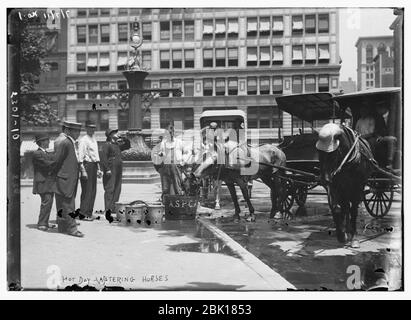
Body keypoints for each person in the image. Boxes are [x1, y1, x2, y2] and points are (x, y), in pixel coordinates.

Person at [53, 121, 84, 237]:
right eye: (75, 131)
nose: (78, 133)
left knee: (62, 204)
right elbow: (57, 160)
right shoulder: (66, 143)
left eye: (79, 131)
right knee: (69, 205)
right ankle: (72, 229)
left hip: (66, 178)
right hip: (65, 179)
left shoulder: (71, 143)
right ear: (69, 131)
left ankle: (62, 227)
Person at [100, 128, 131, 221]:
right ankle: (108, 209)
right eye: (114, 132)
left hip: (118, 167)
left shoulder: (117, 144)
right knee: (110, 188)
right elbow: (103, 158)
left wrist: (125, 138)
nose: (117, 134)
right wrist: (107, 169)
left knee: (117, 187)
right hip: (111, 167)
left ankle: (113, 207)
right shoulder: (107, 145)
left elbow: (127, 146)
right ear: (110, 135)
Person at [157, 123, 189, 202]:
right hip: (166, 166)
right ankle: (165, 202)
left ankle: (179, 201)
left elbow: (187, 152)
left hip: (176, 166)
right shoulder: (163, 143)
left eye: (171, 132)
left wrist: (183, 162)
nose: (170, 134)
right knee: (165, 186)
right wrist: (160, 155)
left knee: (177, 184)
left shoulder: (179, 142)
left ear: (174, 133)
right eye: (168, 133)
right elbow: (160, 153)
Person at [32, 133, 57, 231]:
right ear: (42, 142)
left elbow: (51, 161)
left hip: (48, 182)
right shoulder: (37, 154)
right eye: (47, 140)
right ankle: (41, 223)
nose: (49, 141)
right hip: (43, 182)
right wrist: (58, 162)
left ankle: (45, 222)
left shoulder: (46, 153)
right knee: (46, 202)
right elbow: (47, 164)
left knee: (49, 202)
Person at [78, 121, 103, 221]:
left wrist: (99, 169)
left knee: (93, 190)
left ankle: (89, 212)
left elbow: (96, 156)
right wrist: (83, 171)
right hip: (87, 165)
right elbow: (80, 157)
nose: (92, 130)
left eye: (94, 128)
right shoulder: (83, 140)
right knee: (87, 190)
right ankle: (83, 213)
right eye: (90, 128)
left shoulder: (93, 139)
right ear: (86, 129)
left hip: (93, 166)